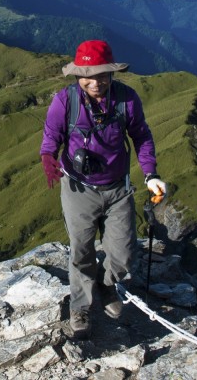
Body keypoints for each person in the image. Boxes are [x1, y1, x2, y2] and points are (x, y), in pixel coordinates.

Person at [40, 39, 167, 340]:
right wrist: (48, 157)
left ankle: (107, 284)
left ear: (111, 74)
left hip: (117, 189)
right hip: (78, 188)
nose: (95, 82)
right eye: (88, 75)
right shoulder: (65, 101)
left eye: (101, 75)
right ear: (78, 75)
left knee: (123, 253)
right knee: (81, 250)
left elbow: (142, 136)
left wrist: (150, 173)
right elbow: (51, 135)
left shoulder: (126, 99)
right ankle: (81, 307)